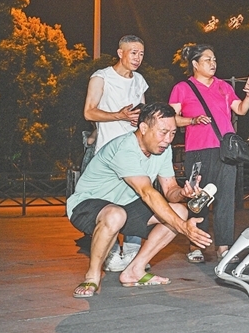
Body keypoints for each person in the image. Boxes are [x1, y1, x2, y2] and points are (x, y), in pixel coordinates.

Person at [68, 103, 212, 297]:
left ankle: (135, 270)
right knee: (115, 214)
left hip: (125, 206)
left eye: (172, 133)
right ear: (143, 128)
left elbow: (170, 190)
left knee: (179, 210)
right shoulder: (125, 149)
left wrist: (184, 194)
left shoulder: (163, 150)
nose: (168, 140)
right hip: (87, 205)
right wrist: (183, 227)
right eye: (163, 132)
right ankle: (92, 275)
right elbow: (147, 192)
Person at [169, 44, 249, 263]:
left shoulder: (223, 86)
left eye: (214, 59)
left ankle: (223, 247)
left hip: (225, 151)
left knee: (226, 198)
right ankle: (195, 244)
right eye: (207, 60)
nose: (213, 63)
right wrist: (192, 120)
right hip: (197, 150)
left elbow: (241, 110)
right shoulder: (182, 87)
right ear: (195, 64)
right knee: (198, 197)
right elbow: (171, 119)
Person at [83, 35, 148, 272]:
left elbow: (142, 112)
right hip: (108, 154)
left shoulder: (139, 80)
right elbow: (89, 113)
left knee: (137, 202)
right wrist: (118, 116)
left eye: (141, 53)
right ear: (120, 53)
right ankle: (109, 254)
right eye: (133, 52)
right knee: (109, 205)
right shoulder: (101, 77)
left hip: (133, 151)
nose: (138, 58)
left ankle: (131, 254)